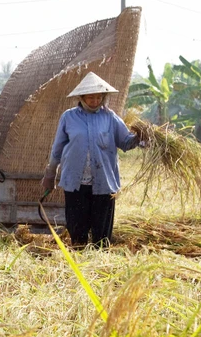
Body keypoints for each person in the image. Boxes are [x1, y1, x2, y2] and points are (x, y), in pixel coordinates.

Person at [40, 72, 144, 248]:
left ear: (103, 97)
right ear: (81, 98)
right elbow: (57, 149)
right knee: (77, 228)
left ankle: (100, 259)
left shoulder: (110, 118)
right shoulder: (69, 117)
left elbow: (125, 142)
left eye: (98, 97)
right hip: (76, 182)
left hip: (103, 182)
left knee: (102, 233)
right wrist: (50, 174)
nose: (95, 101)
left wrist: (141, 136)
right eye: (90, 98)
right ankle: (79, 255)